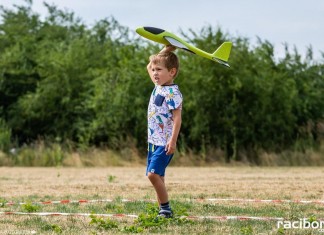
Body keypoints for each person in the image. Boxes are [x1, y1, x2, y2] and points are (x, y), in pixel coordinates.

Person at [146, 45, 183, 218]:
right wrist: (164, 50)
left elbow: (177, 118)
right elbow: (149, 64)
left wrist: (173, 141)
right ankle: (162, 209)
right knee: (158, 177)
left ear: (172, 72)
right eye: (154, 70)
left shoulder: (173, 93)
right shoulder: (157, 84)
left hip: (164, 143)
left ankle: (166, 209)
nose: (154, 73)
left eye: (159, 70)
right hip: (153, 141)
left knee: (152, 175)